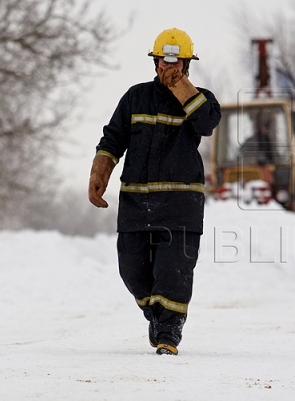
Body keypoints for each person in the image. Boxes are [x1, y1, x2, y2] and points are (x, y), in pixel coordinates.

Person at [88, 28, 221, 355]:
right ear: (155, 61)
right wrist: (100, 173)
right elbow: (112, 140)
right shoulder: (135, 97)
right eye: (164, 60)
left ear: (187, 62)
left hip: (180, 208)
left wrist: (181, 87)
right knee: (132, 271)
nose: (169, 66)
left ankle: (168, 336)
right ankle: (155, 314)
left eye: (176, 61)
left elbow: (206, 123)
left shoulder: (200, 98)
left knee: (173, 274)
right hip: (138, 207)